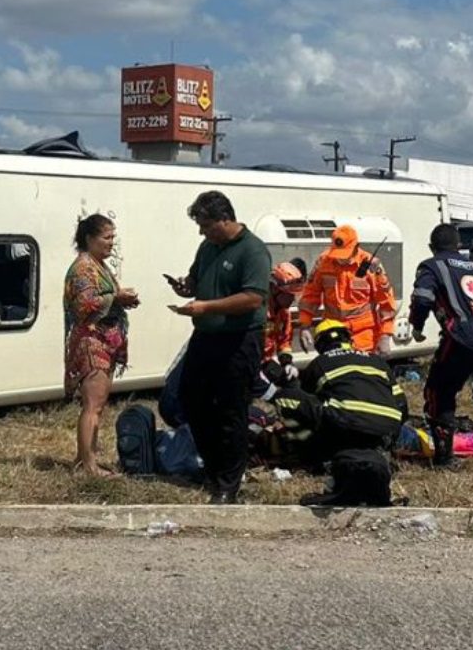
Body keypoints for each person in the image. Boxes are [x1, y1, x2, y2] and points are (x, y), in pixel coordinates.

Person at [167, 191, 271, 504]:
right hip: (206, 337)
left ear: (225, 219)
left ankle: (229, 481)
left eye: (207, 225)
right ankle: (213, 467)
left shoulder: (252, 251)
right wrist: (187, 287)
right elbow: (198, 280)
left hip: (239, 339)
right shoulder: (208, 247)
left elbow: (253, 298)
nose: (202, 232)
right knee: (190, 398)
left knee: (231, 408)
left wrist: (206, 306)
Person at [267, 320, 407, 507]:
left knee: (286, 397)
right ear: (349, 339)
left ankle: (307, 453)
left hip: (345, 425)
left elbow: (308, 402)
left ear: (320, 344)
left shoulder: (319, 363)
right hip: (385, 428)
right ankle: (380, 450)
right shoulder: (377, 361)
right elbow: (402, 404)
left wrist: (285, 387)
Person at [407, 223, 473, 470]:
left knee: (438, 392)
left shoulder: (431, 265)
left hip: (463, 335)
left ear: (432, 247)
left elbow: (423, 297)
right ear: (459, 246)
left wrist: (417, 326)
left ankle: (444, 459)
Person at [64, 214, 139, 477]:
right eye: (106, 238)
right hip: (91, 341)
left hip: (102, 340)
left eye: (112, 238)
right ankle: (88, 466)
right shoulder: (83, 268)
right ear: (89, 239)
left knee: (97, 404)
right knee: (93, 405)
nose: (111, 243)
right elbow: (85, 304)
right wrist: (116, 296)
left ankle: (85, 458)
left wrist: (119, 300)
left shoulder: (97, 265)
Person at [296, 224, 397, 355]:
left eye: (344, 254)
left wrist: (385, 336)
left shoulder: (371, 265)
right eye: (337, 253)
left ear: (356, 246)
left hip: (364, 336)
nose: (340, 259)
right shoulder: (323, 261)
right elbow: (310, 295)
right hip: (333, 333)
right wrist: (304, 326)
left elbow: (386, 302)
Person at [263, 261, 305, 362]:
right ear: (274, 289)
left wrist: (287, 363)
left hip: (266, 362)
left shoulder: (284, 314)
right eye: (289, 295)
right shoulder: (258, 312)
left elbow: (284, 341)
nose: (292, 300)